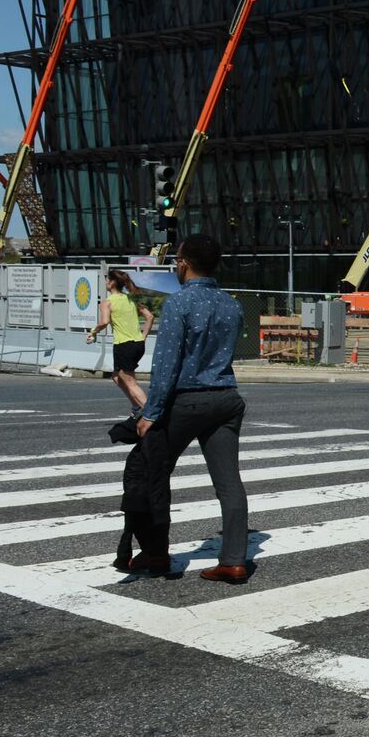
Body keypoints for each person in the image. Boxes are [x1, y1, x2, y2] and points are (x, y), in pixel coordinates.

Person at [118, 234, 251, 584]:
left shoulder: (179, 303)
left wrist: (150, 413)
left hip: (187, 400)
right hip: (225, 398)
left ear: (183, 263)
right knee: (229, 483)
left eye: (176, 260)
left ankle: (155, 553)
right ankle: (234, 560)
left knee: (148, 471)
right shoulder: (232, 304)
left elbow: (166, 365)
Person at [86, 269, 156, 412]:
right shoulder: (130, 298)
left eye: (107, 279)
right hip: (138, 345)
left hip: (124, 345)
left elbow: (104, 322)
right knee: (117, 377)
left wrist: (93, 332)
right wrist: (143, 336)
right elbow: (150, 317)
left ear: (112, 283)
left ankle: (152, 415)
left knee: (130, 382)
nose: (106, 282)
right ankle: (137, 407)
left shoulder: (107, 302)